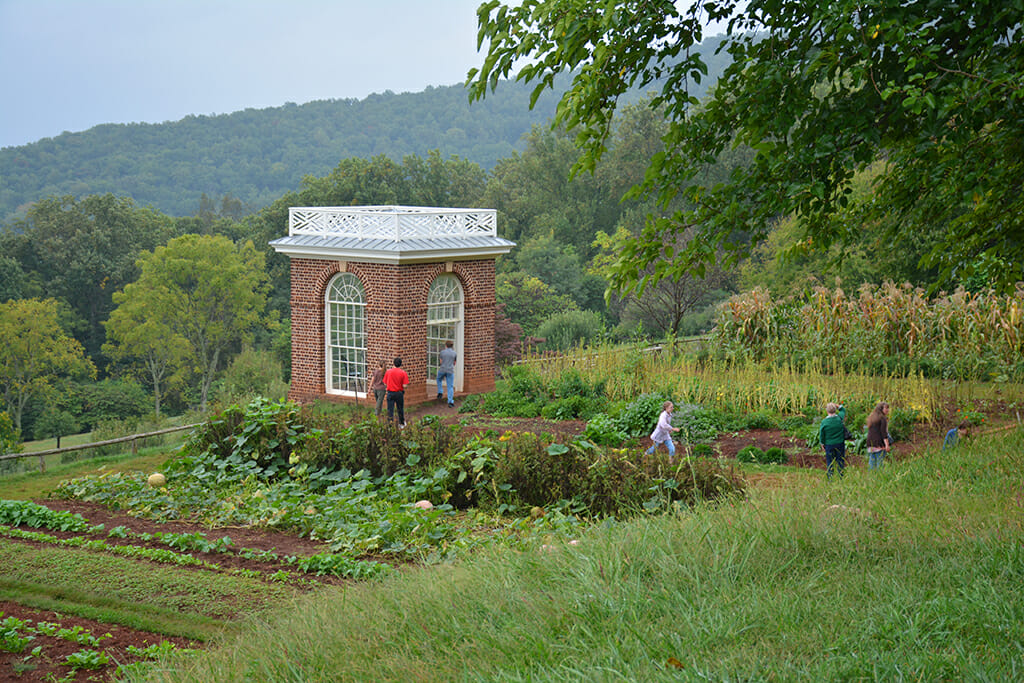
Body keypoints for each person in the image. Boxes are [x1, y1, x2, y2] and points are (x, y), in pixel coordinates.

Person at [818, 402, 848, 479]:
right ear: (835, 410)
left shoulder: (824, 422)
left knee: (830, 461)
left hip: (829, 444)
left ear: (827, 411)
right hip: (840, 443)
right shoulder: (839, 418)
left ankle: (830, 477)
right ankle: (841, 476)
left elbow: (822, 434)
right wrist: (837, 405)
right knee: (840, 460)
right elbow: (843, 410)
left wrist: (822, 443)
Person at [383, 357, 410, 427]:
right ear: (401, 364)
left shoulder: (388, 372)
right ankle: (401, 423)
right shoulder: (403, 373)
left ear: (393, 363)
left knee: (390, 409)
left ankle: (390, 424)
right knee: (400, 408)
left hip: (390, 392)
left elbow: (385, 383)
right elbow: (405, 385)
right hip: (399, 392)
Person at [864, 401, 891, 470]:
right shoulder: (883, 419)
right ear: (881, 409)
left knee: (872, 462)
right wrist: (887, 445)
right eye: (886, 408)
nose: (887, 410)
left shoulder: (872, 418)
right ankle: (879, 477)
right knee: (880, 462)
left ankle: (871, 477)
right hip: (879, 443)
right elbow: (884, 433)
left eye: (888, 408)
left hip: (870, 443)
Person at [437, 340, 457, 407]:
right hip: (450, 370)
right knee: (450, 386)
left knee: (439, 379)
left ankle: (440, 392)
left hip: (442, 369)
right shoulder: (454, 353)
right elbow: (454, 363)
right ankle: (450, 401)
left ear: (446, 345)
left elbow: (441, 361)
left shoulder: (442, 352)